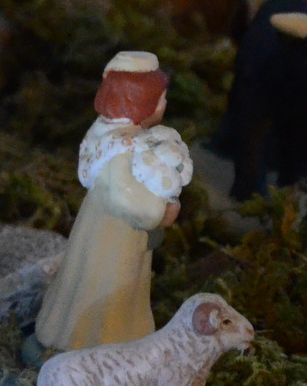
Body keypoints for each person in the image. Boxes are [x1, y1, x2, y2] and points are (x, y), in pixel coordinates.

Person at [32, 51, 191, 352]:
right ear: (140, 103)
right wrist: (161, 212)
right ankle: (95, 342)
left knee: (91, 275)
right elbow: (125, 197)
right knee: (106, 285)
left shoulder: (110, 132)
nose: (165, 105)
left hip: (100, 226)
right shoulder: (122, 149)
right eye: (160, 100)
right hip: (115, 235)